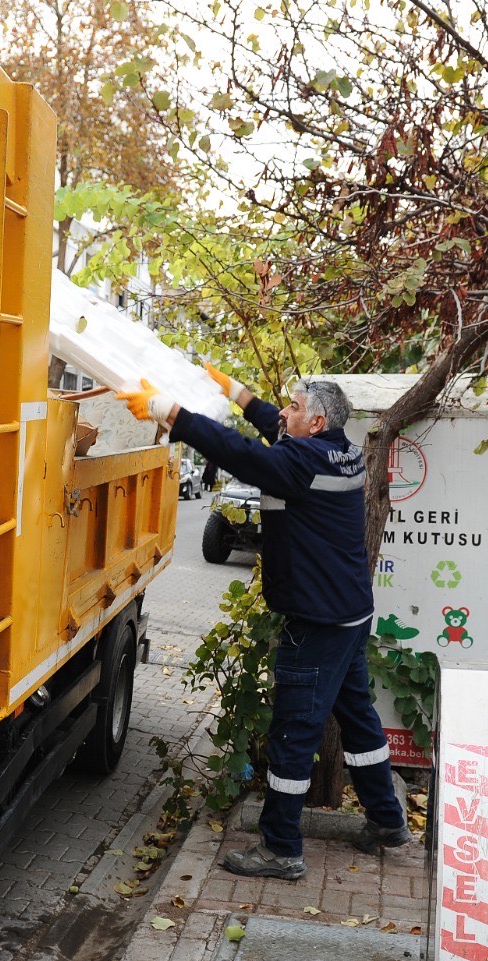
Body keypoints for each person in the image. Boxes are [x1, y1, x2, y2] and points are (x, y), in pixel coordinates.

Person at [116, 369, 411, 881]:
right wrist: (234, 392)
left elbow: (244, 455)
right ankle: (387, 821)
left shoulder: (299, 462)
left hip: (316, 623)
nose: (283, 412)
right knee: (360, 722)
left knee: (293, 734)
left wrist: (172, 413)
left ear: (315, 421)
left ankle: (281, 849)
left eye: (292, 407)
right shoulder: (340, 451)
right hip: (349, 614)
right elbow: (275, 432)